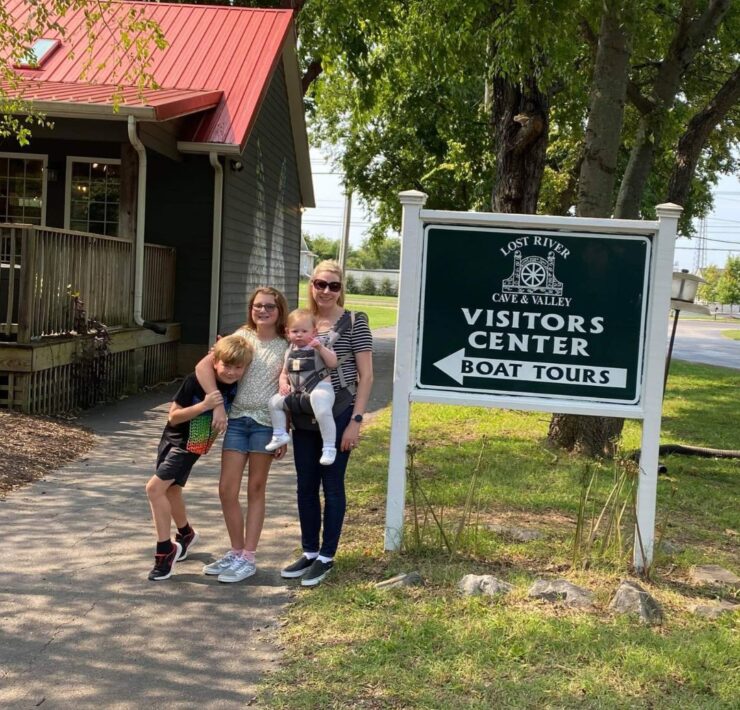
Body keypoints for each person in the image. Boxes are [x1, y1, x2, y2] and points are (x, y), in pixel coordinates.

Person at [281, 260, 374, 587]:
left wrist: (356, 422)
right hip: (304, 413)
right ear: (312, 285)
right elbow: (289, 362)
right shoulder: (301, 321)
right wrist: (284, 387)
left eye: (333, 285)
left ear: (341, 289)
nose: (326, 291)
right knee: (305, 484)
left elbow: (367, 376)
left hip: (340, 411)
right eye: (321, 284)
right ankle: (309, 550)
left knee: (332, 485)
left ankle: (326, 556)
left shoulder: (354, 322)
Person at [195, 286, 288, 583]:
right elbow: (204, 366)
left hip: (265, 424)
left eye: (269, 307)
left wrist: (283, 430)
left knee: (256, 489)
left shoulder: (287, 344)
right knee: (226, 489)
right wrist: (216, 402)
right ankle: (235, 551)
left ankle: (248, 556)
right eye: (258, 306)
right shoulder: (240, 337)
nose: (263, 311)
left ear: (279, 310)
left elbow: (290, 390)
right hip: (237, 420)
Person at [145, 335, 252, 581]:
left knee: (154, 489)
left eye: (239, 368)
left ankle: (165, 550)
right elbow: (173, 417)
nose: (232, 372)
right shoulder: (197, 381)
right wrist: (205, 405)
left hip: (190, 444)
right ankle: (186, 534)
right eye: (227, 365)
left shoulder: (237, 383)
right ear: (215, 362)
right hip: (172, 437)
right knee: (170, 491)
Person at [266, 308, 339, 465]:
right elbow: (284, 373)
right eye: (295, 331)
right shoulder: (290, 351)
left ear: (314, 331)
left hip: (321, 389)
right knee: (273, 402)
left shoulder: (321, 346)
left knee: (321, 407)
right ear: (287, 332)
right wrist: (283, 384)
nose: (299, 335)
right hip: (298, 393)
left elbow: (333, 363)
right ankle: (279, 433)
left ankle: (329, 447)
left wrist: (320, 348)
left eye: (304, 331)